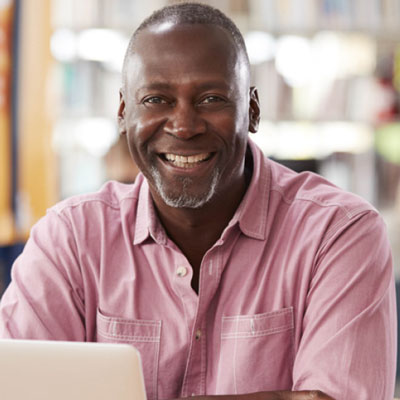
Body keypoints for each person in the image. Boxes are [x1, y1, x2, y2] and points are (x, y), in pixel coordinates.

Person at [0, 3, 396, 400]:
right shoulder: (68, 239)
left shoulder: (339, 232)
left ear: (252, 111)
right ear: (123, 112)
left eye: (211, 99)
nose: (184, 126)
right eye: (156, 99)